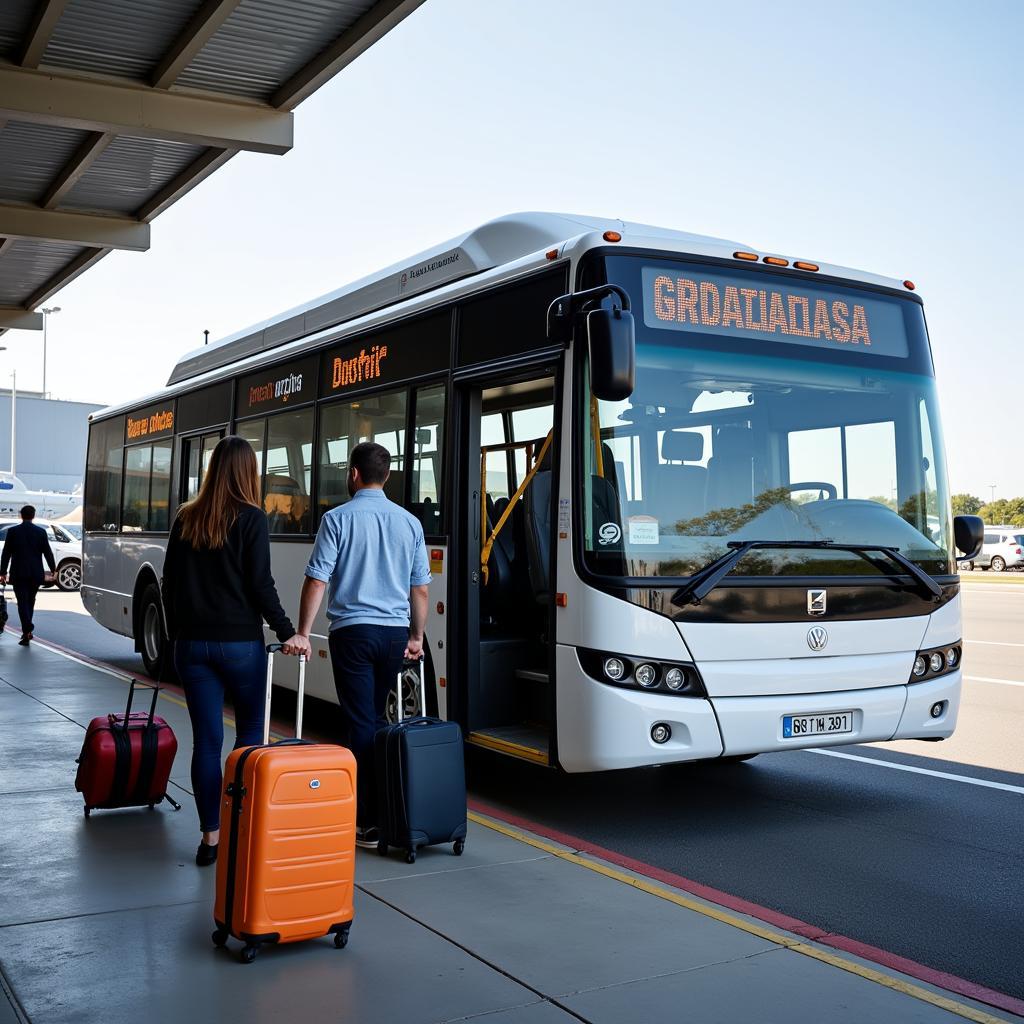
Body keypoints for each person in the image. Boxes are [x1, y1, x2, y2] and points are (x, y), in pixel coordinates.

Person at [161, 435, 303, 867]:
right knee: (249, 738)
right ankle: (241, 830)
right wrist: (289, 632)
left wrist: (177, 637)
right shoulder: (253, 518)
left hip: (193, 646)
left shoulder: (186, 517)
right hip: (241, 645)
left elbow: (169, 584)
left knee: (206, 742)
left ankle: (210, 840)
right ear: (248, 472)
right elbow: (261, 585)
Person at [289, 441, 430, 848]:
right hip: (392, 635)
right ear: (385, 477)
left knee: (361, 721)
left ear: (353, 474)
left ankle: (367, 820)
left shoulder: (337, 519)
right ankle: (384, 809)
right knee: (374, 717)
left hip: (352, 633)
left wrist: (302, 630)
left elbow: (317, 578)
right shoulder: (409, 523)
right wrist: (416, 637)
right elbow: (419, 590)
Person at [0, 505, 56, 645]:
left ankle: (27, 630)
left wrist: (2, 572)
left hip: (18, 573)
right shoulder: (40, 532)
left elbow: (6, 553)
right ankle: (27, 631)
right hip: (35, 573)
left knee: (22, 603)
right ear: (33, 516)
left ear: (21, 515)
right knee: (30, 601)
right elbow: (47, 552)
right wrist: (53, 568)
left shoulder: (13, 532)